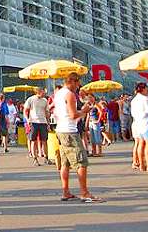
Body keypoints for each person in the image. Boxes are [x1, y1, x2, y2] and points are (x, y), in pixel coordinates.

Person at [54, 72, 103, 203]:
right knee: (81, 161)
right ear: (73, 81)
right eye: (77, 84)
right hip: (69, 130)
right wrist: (84, 111)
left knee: (65, 163)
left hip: (60, 129)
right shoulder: (69, 95)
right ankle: (84, 192)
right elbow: (73, 115)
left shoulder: (58, 93)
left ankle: (66, 191)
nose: (78, 87)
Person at [131, 82, 148, 172]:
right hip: (146, 123)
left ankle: (142, 165)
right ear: (143, 89)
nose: (147, 90)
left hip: (138, 124)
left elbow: (132, 113)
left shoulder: (134, 100)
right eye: (146, 88)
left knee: (140, 144)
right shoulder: (145, 99)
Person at [24, 87, 50, 165]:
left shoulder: (45, 100)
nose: (44, 93)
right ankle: (35, 158)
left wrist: (48, 123)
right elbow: (26, 110)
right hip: (33, 121)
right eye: (43, 91)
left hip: (43, 122)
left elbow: (46, 112)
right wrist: (28, 119)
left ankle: (46, 157)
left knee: (44, 140)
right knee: (33, 140)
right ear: (38, 92)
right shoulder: (31, 99)